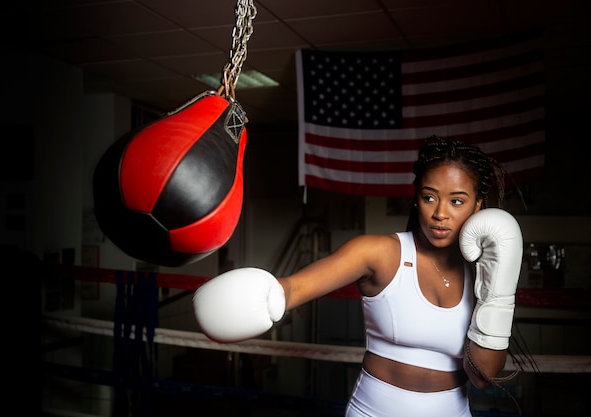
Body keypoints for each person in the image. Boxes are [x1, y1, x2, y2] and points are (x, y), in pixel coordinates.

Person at [193, 135, 524, 417]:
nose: (440, 213)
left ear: (477, 206)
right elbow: (291, 288)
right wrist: (265, 297)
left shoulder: (482, 273)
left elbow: (482, 377)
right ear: (416, 199)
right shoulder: (379, 253)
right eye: (429, 197)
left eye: (456, 201)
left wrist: (498, 292)